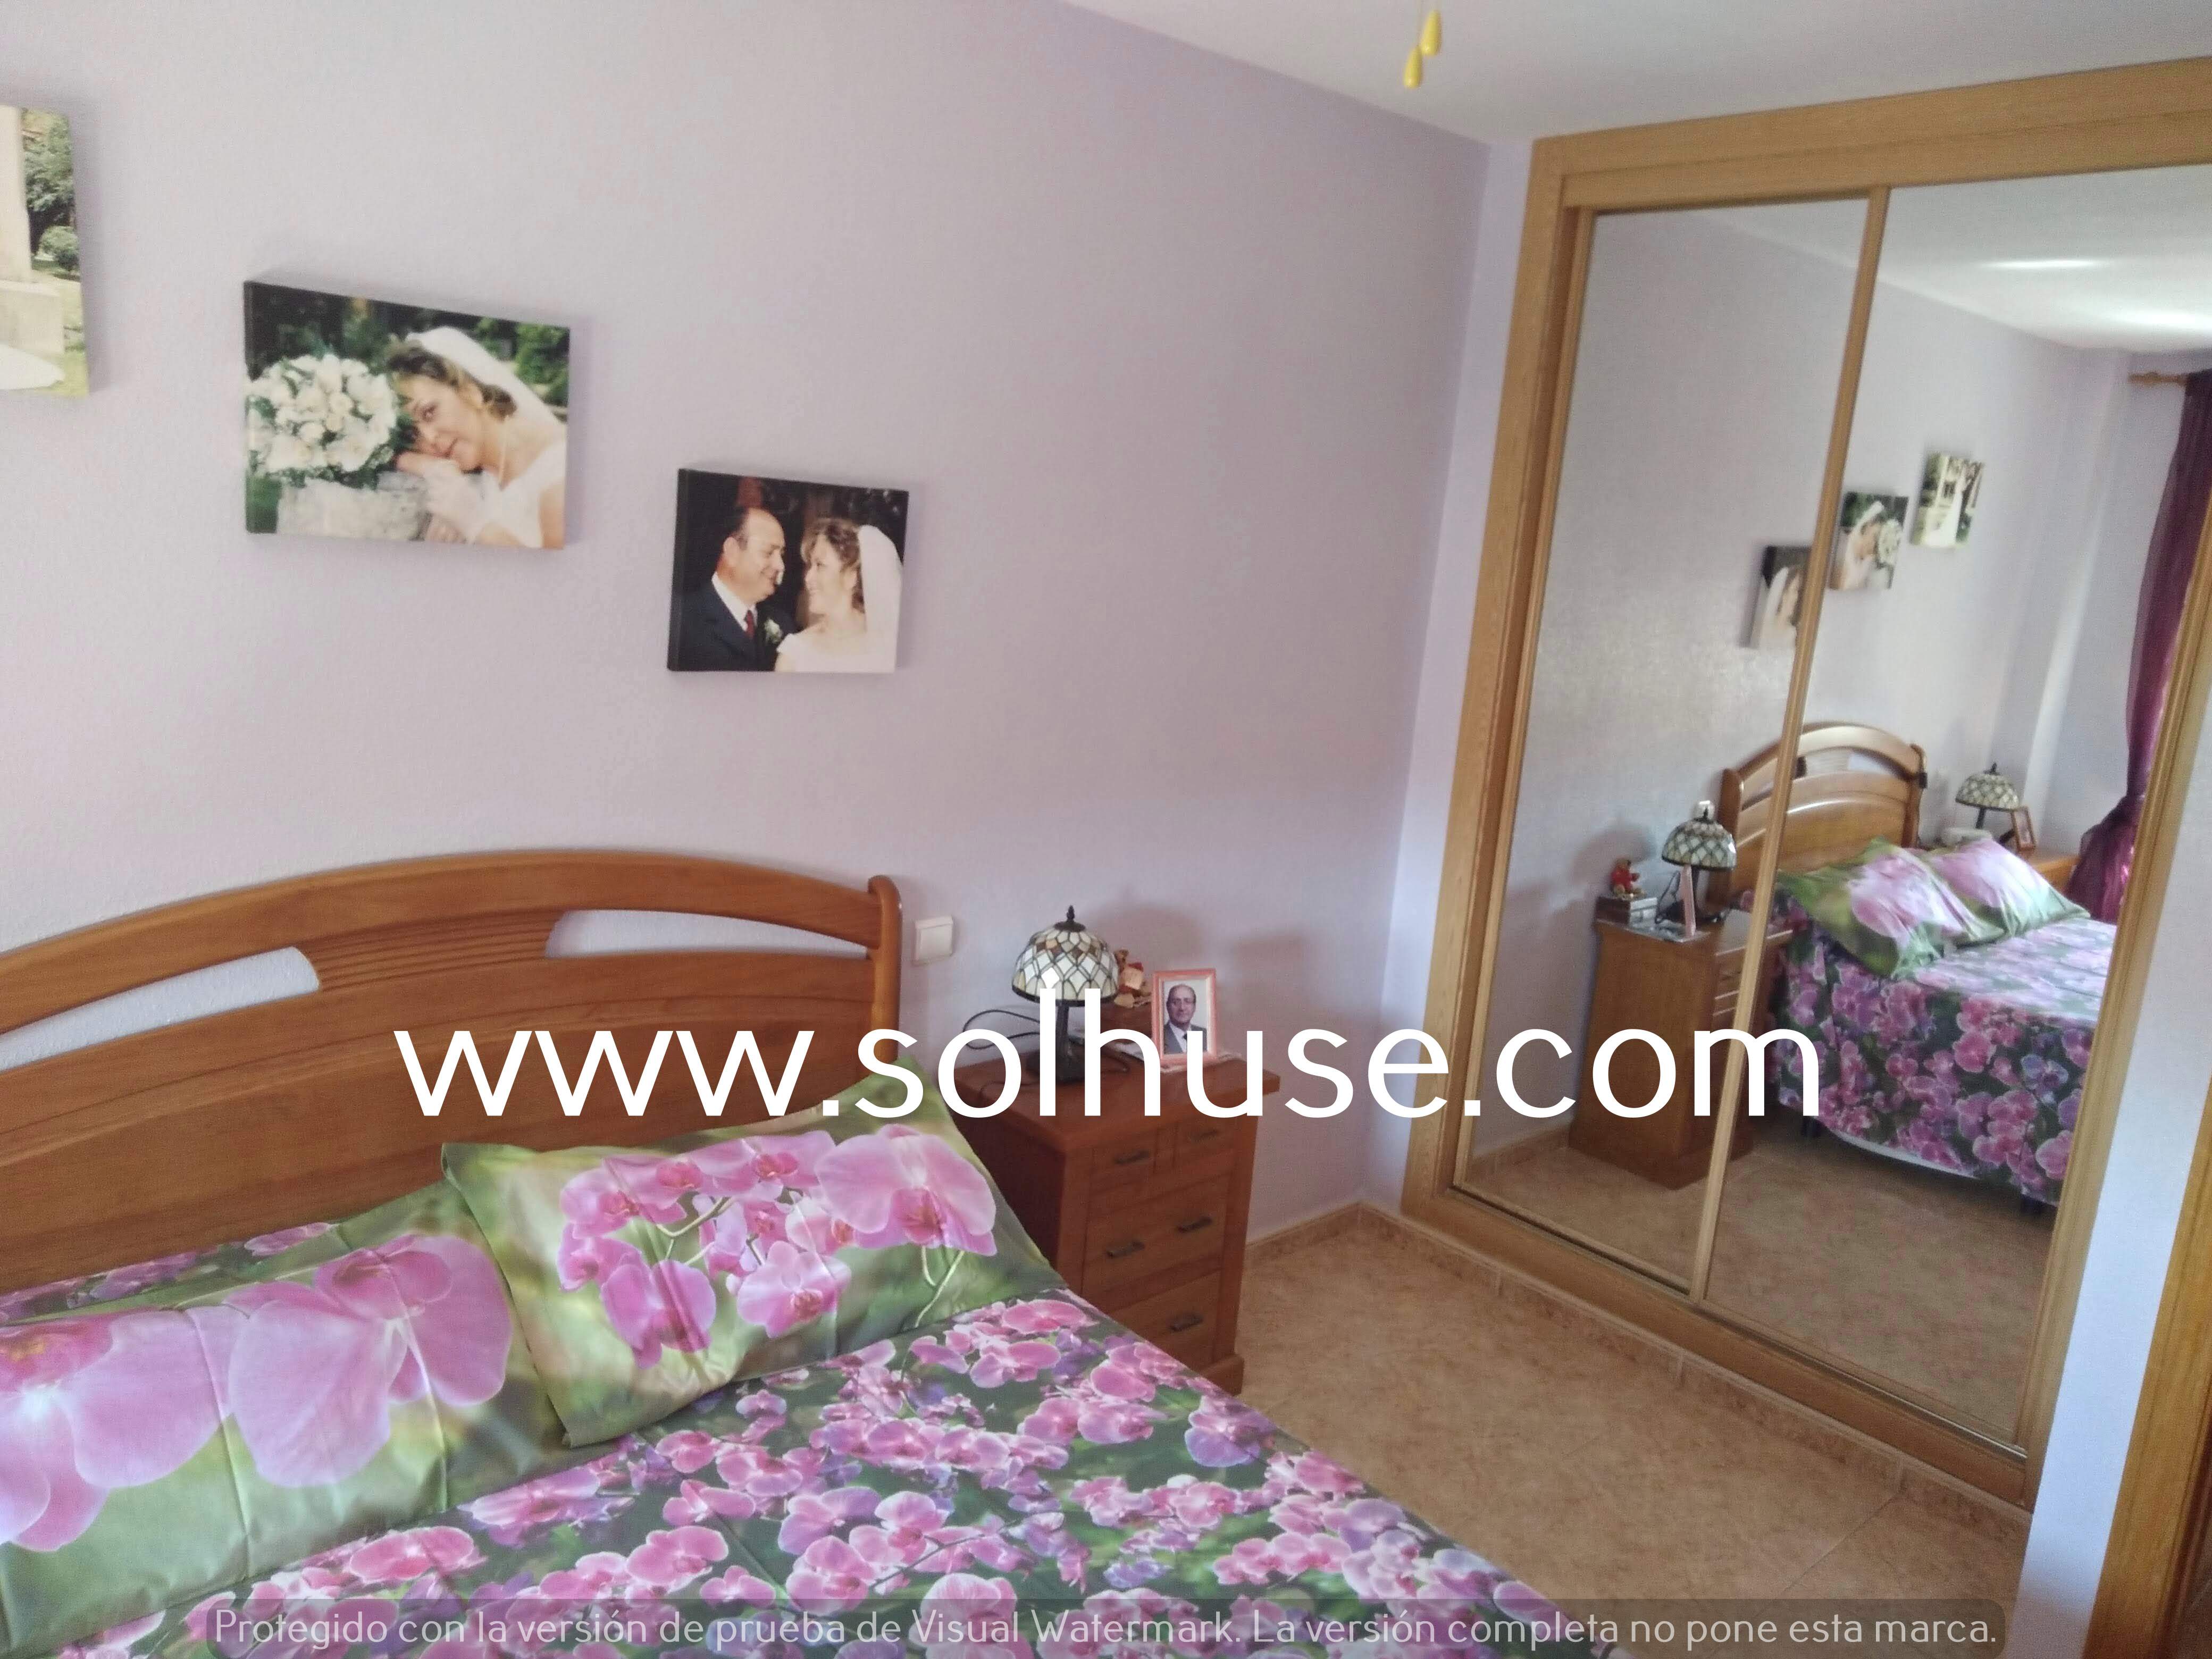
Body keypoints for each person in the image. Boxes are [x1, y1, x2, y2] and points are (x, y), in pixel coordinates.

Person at [388, 329, 567, 548]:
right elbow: (393, 456)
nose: (429, 438)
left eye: (429, 412)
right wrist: (435, 469)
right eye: (413, 434)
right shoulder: (488, 466)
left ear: (471, 392)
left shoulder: (560, 466)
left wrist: (475, 523)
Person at [672, 506, 792, 671]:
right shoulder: (682, 620)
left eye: (781, 555)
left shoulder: (782, 623)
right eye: (768, 553)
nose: (780, 566)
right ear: (732, 551)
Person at [774, 519, 903, 673]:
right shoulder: (794, 654)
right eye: (810, 566)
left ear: (851, 577)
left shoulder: (889, 644)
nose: (808, 578)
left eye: (820, 565)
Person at [1161, 982, 1206, 1056]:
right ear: (1168, 1006)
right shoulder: (1159, 1038)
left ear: (1194, 1006)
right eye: (1176, 1002)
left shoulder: (1206, 1035)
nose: (1182, 1008)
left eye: (1188, 1002)